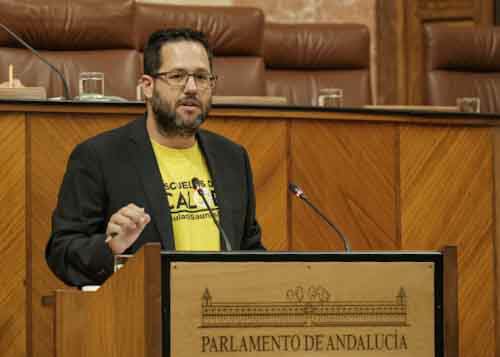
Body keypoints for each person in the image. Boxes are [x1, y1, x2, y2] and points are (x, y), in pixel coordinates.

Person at [45, 28, 265, 287]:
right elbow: (62, 252)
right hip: (143, 316)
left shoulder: (232, 158)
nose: (192, 88)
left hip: (218, 317)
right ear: (147, 86)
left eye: (202, 77)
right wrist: (111, 247)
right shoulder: (99, 157)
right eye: (177, 76)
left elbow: (249, 247)